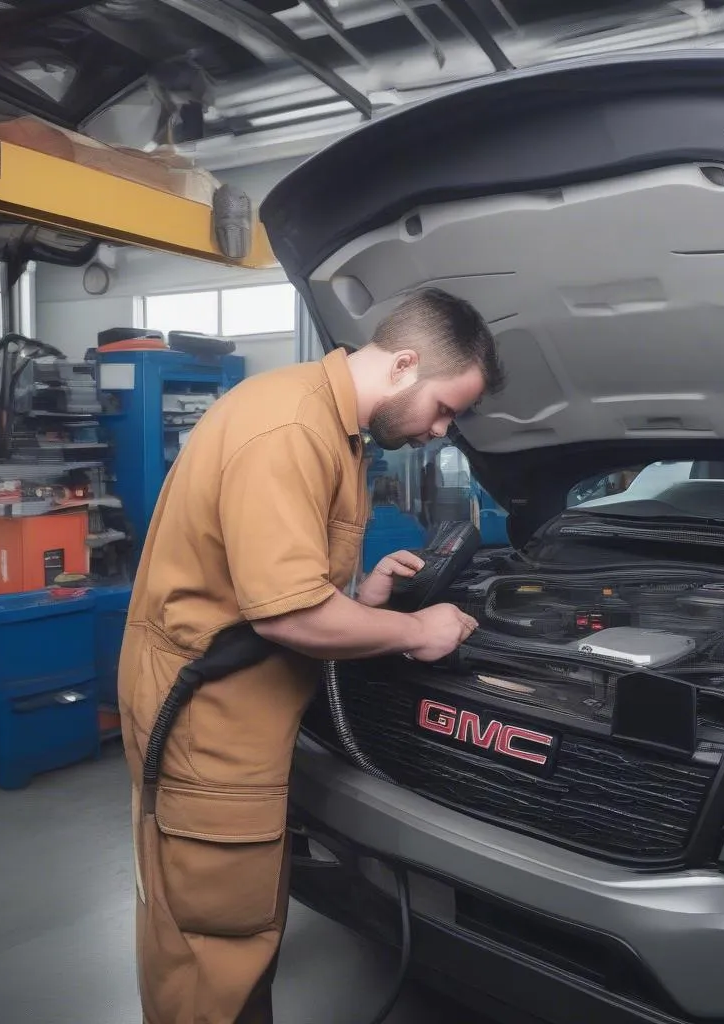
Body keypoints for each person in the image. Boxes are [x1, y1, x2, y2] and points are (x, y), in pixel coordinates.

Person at [117, 286, 505, 1024]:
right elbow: (290, 614)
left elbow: (274, 588)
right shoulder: (291, 428)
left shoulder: (326, 422)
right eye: (446, 408)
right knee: (215, 941)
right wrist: (418, 633)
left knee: (217, 928)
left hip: (231, 708)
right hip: (208, 722)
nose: (440, 433)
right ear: (404, 364)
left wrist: (365, 606)